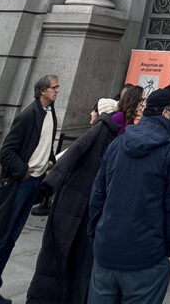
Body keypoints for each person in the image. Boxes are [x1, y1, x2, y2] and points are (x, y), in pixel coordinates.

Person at [0, 74, 60, 304]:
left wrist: (48, 162)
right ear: (42, 91)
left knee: (9, 240)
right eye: (54, 88)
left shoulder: (50, 113)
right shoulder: (28, 115)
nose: (58, 91)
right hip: (20, 185)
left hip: (34, 182)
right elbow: (6, 152)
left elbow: (44, 142)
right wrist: (24, 171)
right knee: (0, 240)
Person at [88, 88, 170, 304]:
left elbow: (97, 194)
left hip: (107, 249)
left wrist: (96, 235)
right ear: (167, 113)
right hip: (146, 256)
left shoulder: (118, 143)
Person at [26, 99, 120, 304]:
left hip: (74, 203)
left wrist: (46, 187)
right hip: (87, 206)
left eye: (94, 111)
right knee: (77, 261)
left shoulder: (99, 131)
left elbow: (69, 157)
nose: (90, 115)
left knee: (61, 258)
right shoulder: (112, 134)